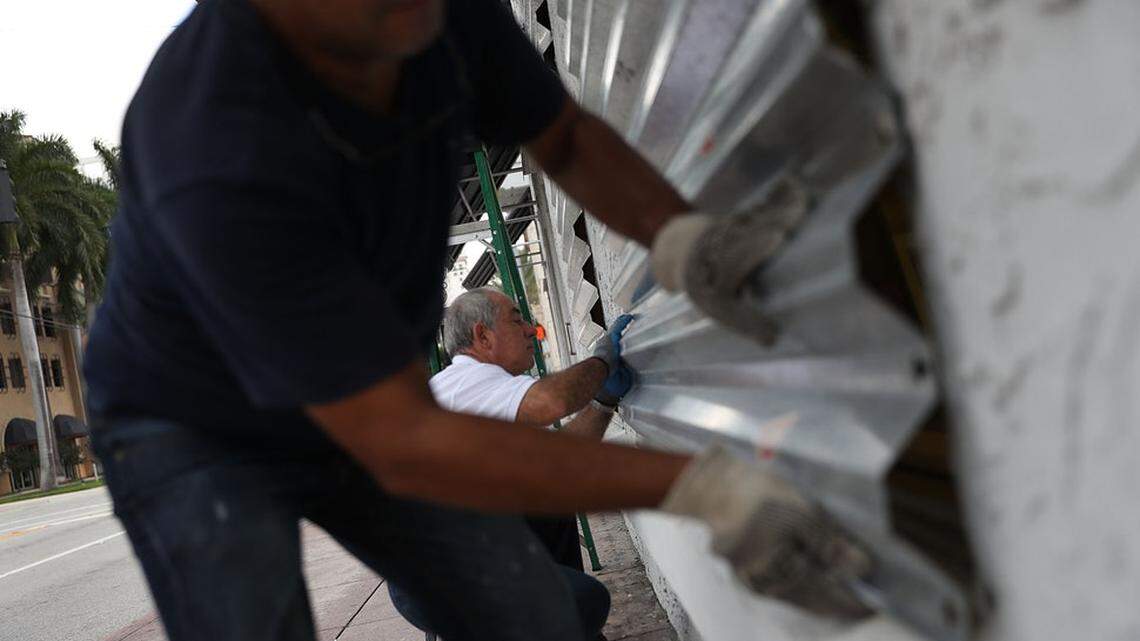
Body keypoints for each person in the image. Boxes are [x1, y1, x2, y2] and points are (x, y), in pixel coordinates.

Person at [84, 1, 871, 640]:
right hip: (195, 429)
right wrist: (707, 488)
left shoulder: (437, 17)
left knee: (537, 614)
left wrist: (681, 236)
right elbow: (408, 442)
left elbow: (561, 135)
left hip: (365, 399)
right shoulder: (216, 147)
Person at [389, 287, 633, 639]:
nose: (530, 329)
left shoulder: (480, 391)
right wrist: (602, 362)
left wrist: (604, 401)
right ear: (482, 336)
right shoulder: (467, 381)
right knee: (581, 601)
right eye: (516, 320)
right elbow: (554, 400)